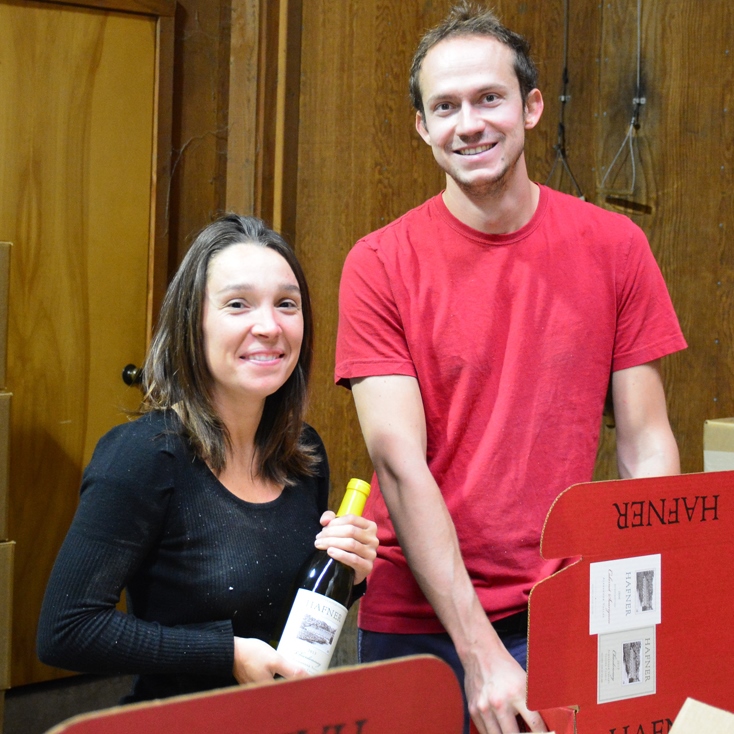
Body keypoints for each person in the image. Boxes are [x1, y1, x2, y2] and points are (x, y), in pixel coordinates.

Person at [334, 4, 686, 734]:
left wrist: (634, 607)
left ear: (529, 108)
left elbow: (647, 446)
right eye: (446, 106)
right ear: (422, 128)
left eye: (489, 98)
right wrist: (481, 652)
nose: (470, 123)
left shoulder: (615, 247)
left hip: (567, 604)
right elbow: (399, 465)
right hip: (422, 621)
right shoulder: (378, 264)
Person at [38, 214, 378, 703]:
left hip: (277, 718)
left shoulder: (302, 454)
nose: (269, 326)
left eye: (287, 304)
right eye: (238, 305)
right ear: (192, 322)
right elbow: (65, 631)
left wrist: (349, 574)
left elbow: (281, 616)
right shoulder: (143, 456)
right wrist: (226, 654)